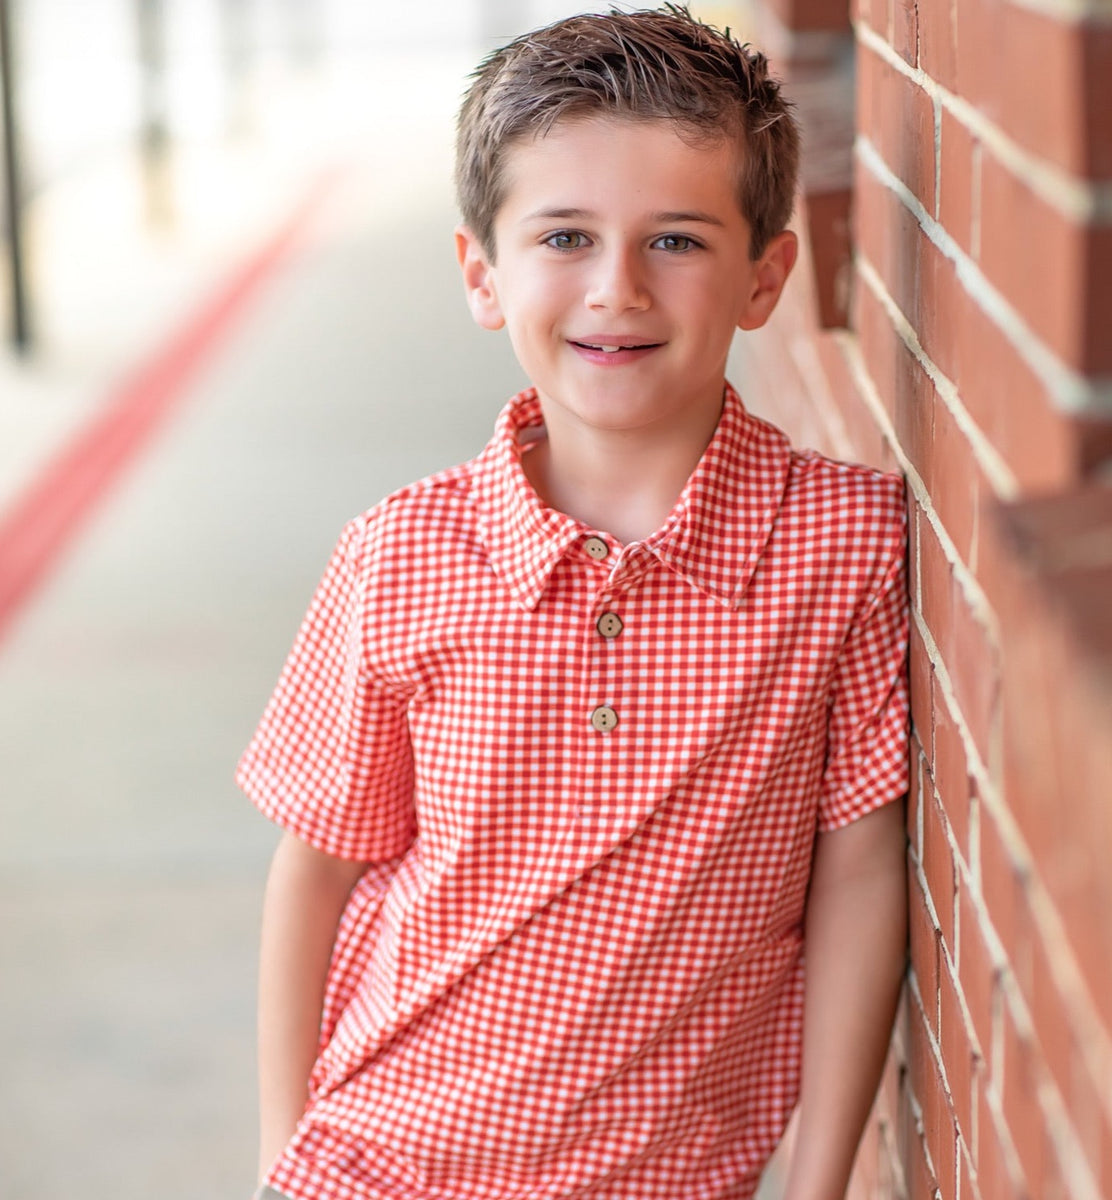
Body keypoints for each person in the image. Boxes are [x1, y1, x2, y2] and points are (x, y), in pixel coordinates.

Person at [238, 6, 910, 1199]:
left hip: (669, 1176)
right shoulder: (400, 555)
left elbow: (860, 870)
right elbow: (318, 873)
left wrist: (821, 1179)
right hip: (380, 1155)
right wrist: (280, 1157)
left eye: (678, 242)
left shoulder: (842, 546)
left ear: (765, 277)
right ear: (483, 276)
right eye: (564, 236)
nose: (617, 288)